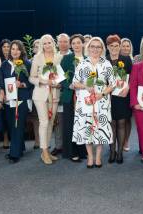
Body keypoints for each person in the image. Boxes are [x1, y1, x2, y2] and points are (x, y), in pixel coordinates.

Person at [71, 37, 116, 167]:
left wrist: (102, 94)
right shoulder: (82, 63)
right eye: (92, 46)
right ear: (88, 48)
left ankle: (98, 157)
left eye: (98, 47)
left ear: (102, 49)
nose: (95, 49)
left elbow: (112, 84)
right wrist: (85, 86)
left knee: (100, 129)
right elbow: (74, 83)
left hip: (102, 101)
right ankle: (90, 157)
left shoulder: (106, 64)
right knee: (87, 128)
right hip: (86, 102)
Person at [29, 33, 62, 165]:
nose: (47, 45)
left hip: (54, 94)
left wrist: (59, 84)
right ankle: (45, 152)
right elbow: (32, 77)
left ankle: (46, 151)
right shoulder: (37, 58)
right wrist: (43, 81)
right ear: (41, 45)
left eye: (49, 42)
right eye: (45, 43)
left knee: (51, 122)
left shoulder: (59, 57)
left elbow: (61, 76)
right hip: (40, 95)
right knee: (44, 122)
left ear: (53, 43)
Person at [2, 40, 33, 163]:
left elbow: (32, 81)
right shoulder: (5, 64)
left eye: (18, 49)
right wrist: (3, 94)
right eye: (13, 49)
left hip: (22, 98)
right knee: (12, 125)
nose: (15, 51)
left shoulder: (27, 64)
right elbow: (1, 82)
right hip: (8, 100)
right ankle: (20, 147)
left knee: (18, 125)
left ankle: (14, 154)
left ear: (21, 51)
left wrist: (23, 84)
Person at [105, 35, 132, 164]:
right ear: (107, 47)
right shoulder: (104, 61)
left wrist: (128, 88)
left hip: (122, 96)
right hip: (108, 97)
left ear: (120, 46)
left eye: (116, 46)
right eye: (111, 46)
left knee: (121, 123)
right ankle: (112, 151)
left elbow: (132, 78)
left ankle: (120, 152)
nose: (114, 48)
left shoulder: (126, 59)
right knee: (111, 124)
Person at [60, 34, 86, 162]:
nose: (76, 45)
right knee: (70, 124)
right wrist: (69, 85)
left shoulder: (88, 59)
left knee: (83, 123)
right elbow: (60, 77)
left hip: (84, 96)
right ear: (71, 45)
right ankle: (71, 152)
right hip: (70, 95)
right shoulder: (66, 59)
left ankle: (82, 151)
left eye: (78, 42)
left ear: (83, 44)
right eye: (74, 43)